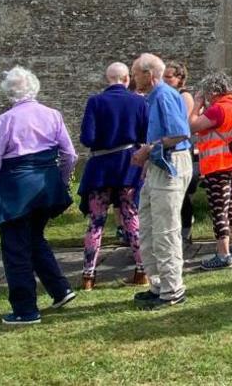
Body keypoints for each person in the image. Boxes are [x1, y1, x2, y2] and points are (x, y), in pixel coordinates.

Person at [0, 66, 77, 325]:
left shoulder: (5, 121)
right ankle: (60, 289)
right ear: (35, 87)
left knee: (15, 249)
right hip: (45, 187)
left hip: (15, 190)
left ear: (8, 92)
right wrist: (60, 181)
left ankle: (25, 309)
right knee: (34, 239)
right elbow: (70, 155)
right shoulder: (53, 115)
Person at [77, 62, 149, 290]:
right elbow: (146, 134)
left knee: (96, 221)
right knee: (131, 216)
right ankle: (142, 271)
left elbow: (87, 138)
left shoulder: (95, 102)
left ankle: (88, 276)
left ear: (108, 78)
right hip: (128, 166)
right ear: (127, 78)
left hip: (100, 167)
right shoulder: (139, 102)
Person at [130, 53, 193, 308]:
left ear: (149, 74)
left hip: (171, 166)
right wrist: (148, 158)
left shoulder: (165, 95)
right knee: (148, 227)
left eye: (135, 74)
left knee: (165, 229)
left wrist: (148, 149)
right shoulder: (153, 98)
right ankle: (158, 284)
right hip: (158, 165)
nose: (133, 79)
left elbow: (180, 133)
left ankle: (172, 289)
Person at [189, 72, 232, 269]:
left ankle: (223, 255)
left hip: (219, 165)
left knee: (218, 210)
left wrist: (197, 105)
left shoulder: (218, 109)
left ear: (214, 91)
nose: (205, 96)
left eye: (206, 93)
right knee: (231, 204)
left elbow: (192, 126)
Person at [163, 62, 199, 243]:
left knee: (182, 191)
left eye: (169, 77)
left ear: (180, 79)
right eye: (164, 76)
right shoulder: (166, 95)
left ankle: (186, 227)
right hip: (166, 149)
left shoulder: (184, 96)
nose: (165, 80)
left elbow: (182, 126)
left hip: (182, 149)